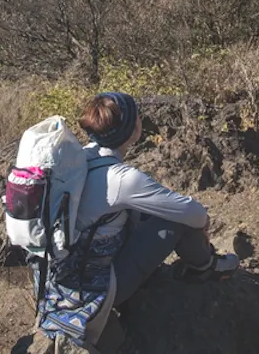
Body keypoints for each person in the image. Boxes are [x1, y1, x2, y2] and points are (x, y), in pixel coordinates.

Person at [36, 91, 239, 348]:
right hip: (98, 290)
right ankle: (206, 266)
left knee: (143, 212)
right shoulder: (123, 179)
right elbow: (193, 214)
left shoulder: (77, 159)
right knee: (173, 219)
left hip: (60, 282)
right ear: (132, 130)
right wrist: (204, 225)